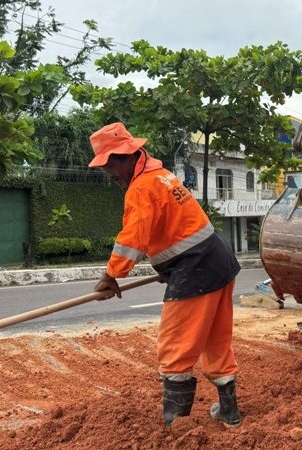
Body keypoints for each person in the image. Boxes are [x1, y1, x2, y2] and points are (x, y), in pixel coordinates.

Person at [88, 122, 242, 428]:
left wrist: (111, 275)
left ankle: (176, 425)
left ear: (126, 157)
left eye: (110, 166)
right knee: (216, 342)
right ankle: (230, 413)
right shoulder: (162, 176)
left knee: (175, 347)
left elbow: (132, 239)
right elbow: (176, 228)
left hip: (196, 270)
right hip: (217, 261)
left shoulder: (141, 187)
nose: (109, 174)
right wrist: (168, 266)